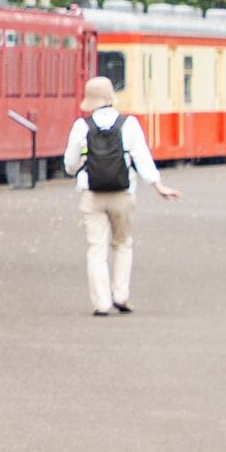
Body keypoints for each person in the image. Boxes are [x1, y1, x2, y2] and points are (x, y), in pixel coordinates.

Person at [62, 74, 175, 316]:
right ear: (111, 98)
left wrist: (78, 167)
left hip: (92, 194)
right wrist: (158, 185)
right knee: (122, 244)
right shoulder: (129, 124)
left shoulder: (81, 126)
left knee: (96, 248)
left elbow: (69, 165)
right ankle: (121, 295)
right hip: (122, 194)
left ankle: (101, 303)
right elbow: (142, 158)